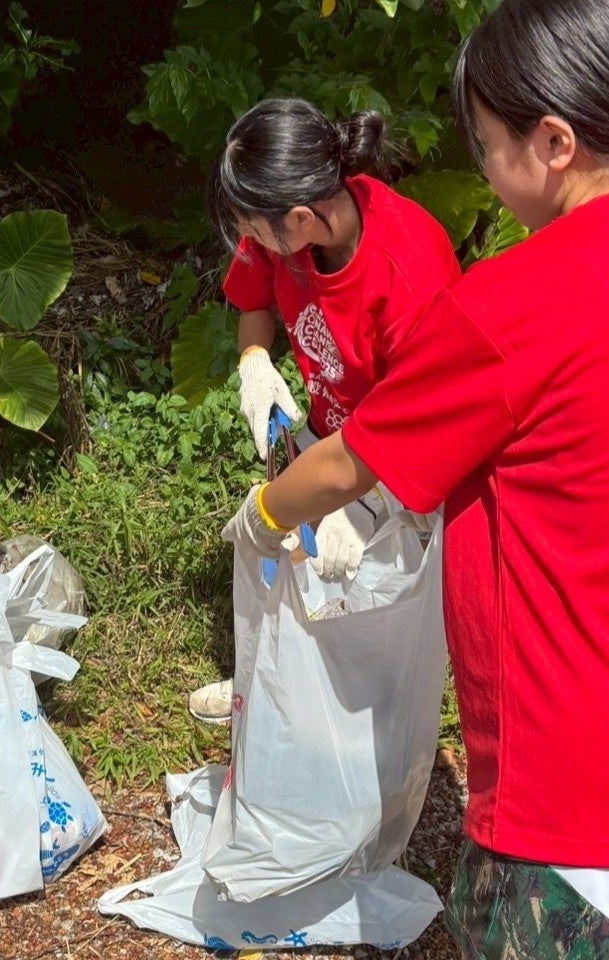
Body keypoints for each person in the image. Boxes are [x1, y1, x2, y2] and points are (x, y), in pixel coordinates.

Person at [221, 1, 609, 957]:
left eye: (486, 145)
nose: (482, 166)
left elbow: (353, 462)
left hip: (576, 789)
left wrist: (265, 512)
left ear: (555, 143)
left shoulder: (515, 299)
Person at [188, 96, 459, 723]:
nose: (250, 241)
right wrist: (255, 361)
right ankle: (273, 686)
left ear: (303, 218)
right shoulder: (283, 216)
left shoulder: (409, 270)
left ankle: (343, 713)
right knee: (295, 564)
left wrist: (356, 501)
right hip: (326, 433)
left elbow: (426, 428)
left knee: (362, 594)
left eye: (254, 229)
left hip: (401, 465)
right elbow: (254, 301)